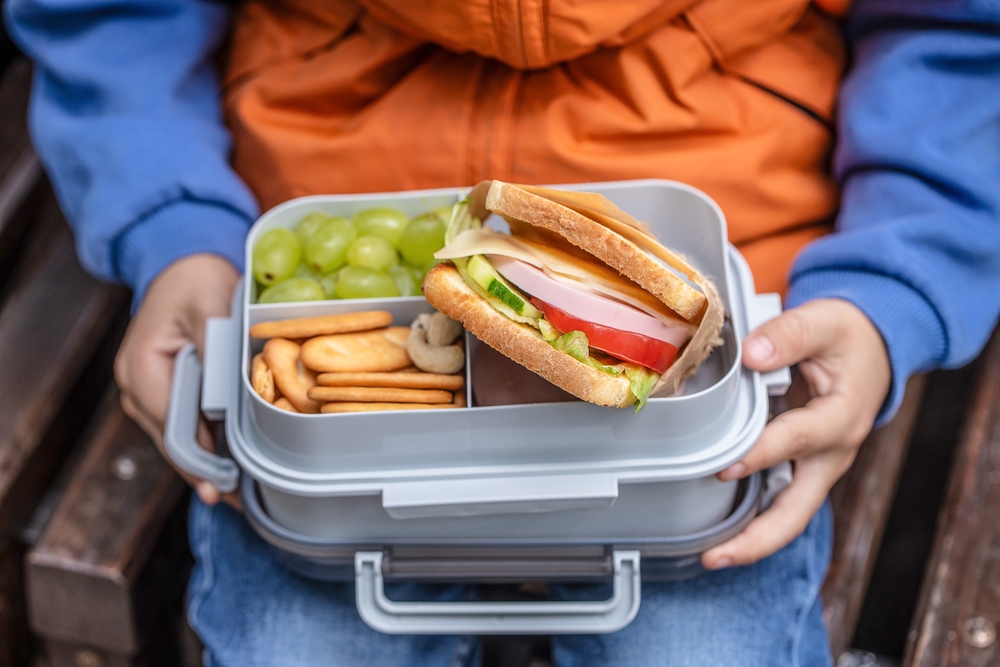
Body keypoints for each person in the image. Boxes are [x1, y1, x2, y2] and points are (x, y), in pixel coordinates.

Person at [5, 0, 1000, 664]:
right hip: (308, 226)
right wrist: (175, 227)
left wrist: (889, 288)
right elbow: (114, 15)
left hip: (733, 289)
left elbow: (956, 37)